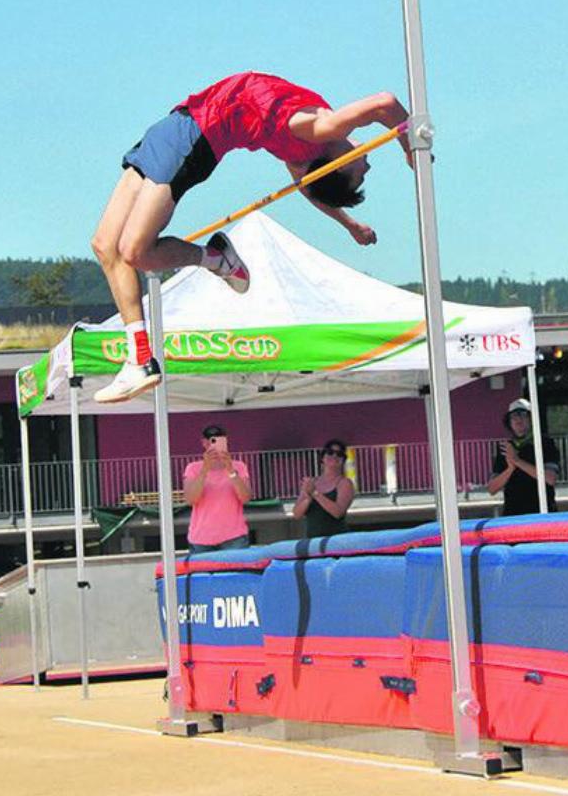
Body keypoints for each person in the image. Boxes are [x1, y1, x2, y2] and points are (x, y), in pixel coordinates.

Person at [91, 71, 412, 403]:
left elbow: (384, 104)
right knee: (104, 245)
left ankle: (209, 266)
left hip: (195, 136)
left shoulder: (319, 130)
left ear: (337, 165)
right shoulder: (303, 151)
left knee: (135, 251)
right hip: (174, 124)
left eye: (359, 174)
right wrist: (350, 223)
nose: (368, 168)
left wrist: (409, 145)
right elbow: (309, 185)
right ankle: (138, 359)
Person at [182, 424, 252, 554]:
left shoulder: (239, 466)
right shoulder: (193, 468)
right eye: (211, 440)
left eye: (220, 440)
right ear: (204, 443)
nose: (214, 445)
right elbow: (190, 499)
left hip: (234, 536)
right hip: (201, 538)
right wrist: (204, 470)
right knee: (201, 574)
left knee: (235, 574)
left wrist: (230, 470)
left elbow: (245, 498)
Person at [488, 398, 560, 515]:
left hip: (542, 514)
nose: (518, 419)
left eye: (523, 414)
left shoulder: (545, 443)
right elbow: (492, 489)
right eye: (513, 416)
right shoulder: (505, 448)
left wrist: (517, 461)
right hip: (513, 516)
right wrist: (510, 468)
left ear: (532, 419)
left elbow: (550, 479)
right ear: (509, 422)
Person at [292, 439, 355, 537]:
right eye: (330, 452)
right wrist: (308, 498)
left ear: (343, 460)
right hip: (314, 542)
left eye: (339, 454)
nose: (334, 456)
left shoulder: (344, 483)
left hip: (336, 540)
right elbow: (297, 514)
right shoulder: (312, 482)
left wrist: (315, 494)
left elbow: (338, 512)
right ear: (322, 458)